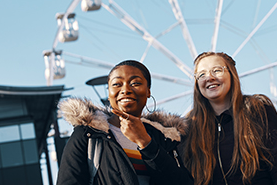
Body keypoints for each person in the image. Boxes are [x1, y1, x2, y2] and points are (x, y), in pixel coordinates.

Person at [56, 60, 193, 185]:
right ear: (109, 93)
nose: (126, 90)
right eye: (116, 84)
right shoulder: (89, 135)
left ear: (148, 91)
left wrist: (145, 142)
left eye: (135, 83)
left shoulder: (163, 136)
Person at [181, 52, 277, 185]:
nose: (209, 77)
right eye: (201, 74)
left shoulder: (257, 111)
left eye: (217, 70)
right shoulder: (190, 128)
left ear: (232, 74)